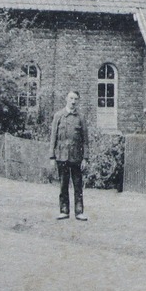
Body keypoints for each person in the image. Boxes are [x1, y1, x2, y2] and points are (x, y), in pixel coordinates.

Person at [49, 90, 88, 221]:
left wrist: (85, 158)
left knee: (78, 185)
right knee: (63, 185)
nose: (73, 101)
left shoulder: (81, 118)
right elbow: (53, 137)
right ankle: (64, 211)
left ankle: (79, 212)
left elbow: (85, 140)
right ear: (66, 99)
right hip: (62, 156)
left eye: (76, 99)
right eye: (71, 98)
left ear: (78, 101)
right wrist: (52, 157)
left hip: (76, 157)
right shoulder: (58, 116)